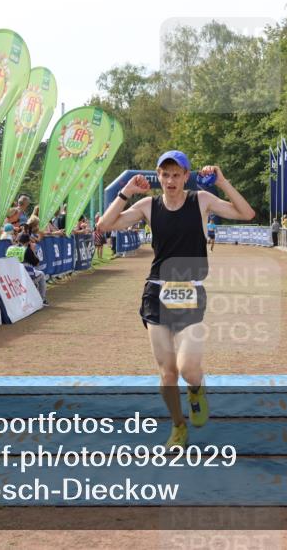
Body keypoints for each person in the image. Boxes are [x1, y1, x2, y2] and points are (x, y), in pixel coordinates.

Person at [96, 150, 255, 451]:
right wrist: (126, 191)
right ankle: (178, 426)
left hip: (190, 292)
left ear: (185, 177)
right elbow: (105, 225)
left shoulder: (201, 200)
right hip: (156, 293)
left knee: (187, 368)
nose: (170, 181)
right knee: (167, 373)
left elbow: (246, 213)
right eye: (165, 175)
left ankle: (196, 389)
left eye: (176, 175)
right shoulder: (148, 205)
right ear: (159, 176)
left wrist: (222, 182)